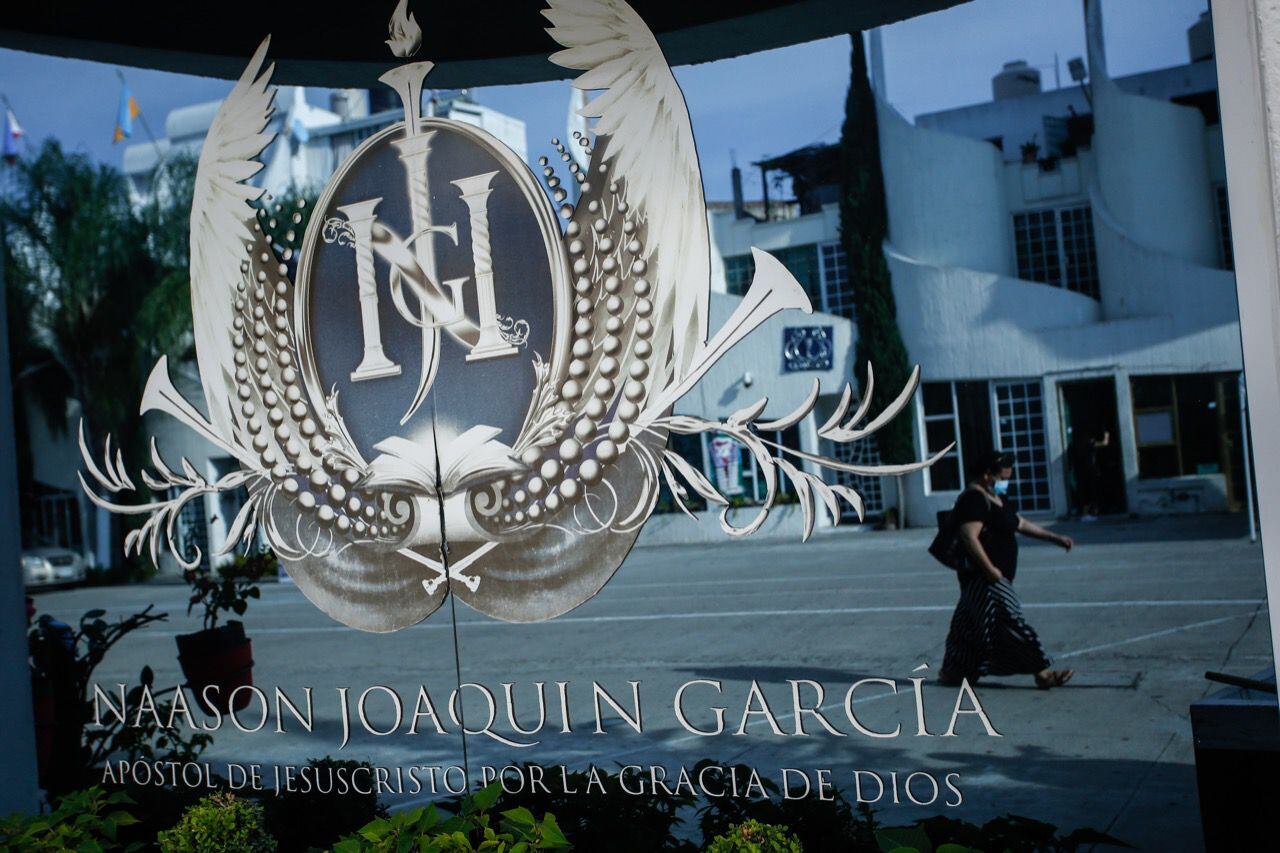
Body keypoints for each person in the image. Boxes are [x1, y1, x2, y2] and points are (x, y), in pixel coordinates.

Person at [939, 451, 1076, 689]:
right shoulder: (974, 499)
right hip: (986, 578)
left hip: (991, 577)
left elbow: (1019, 523)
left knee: (968, 625)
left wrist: (1054, 538)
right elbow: (969, 536)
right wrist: (989, 569)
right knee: (1012, 619)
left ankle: (954, 671)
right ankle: (1042, 672)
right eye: (1002, 478)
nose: (1005, 483)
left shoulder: (997, 497)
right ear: (987, 475)